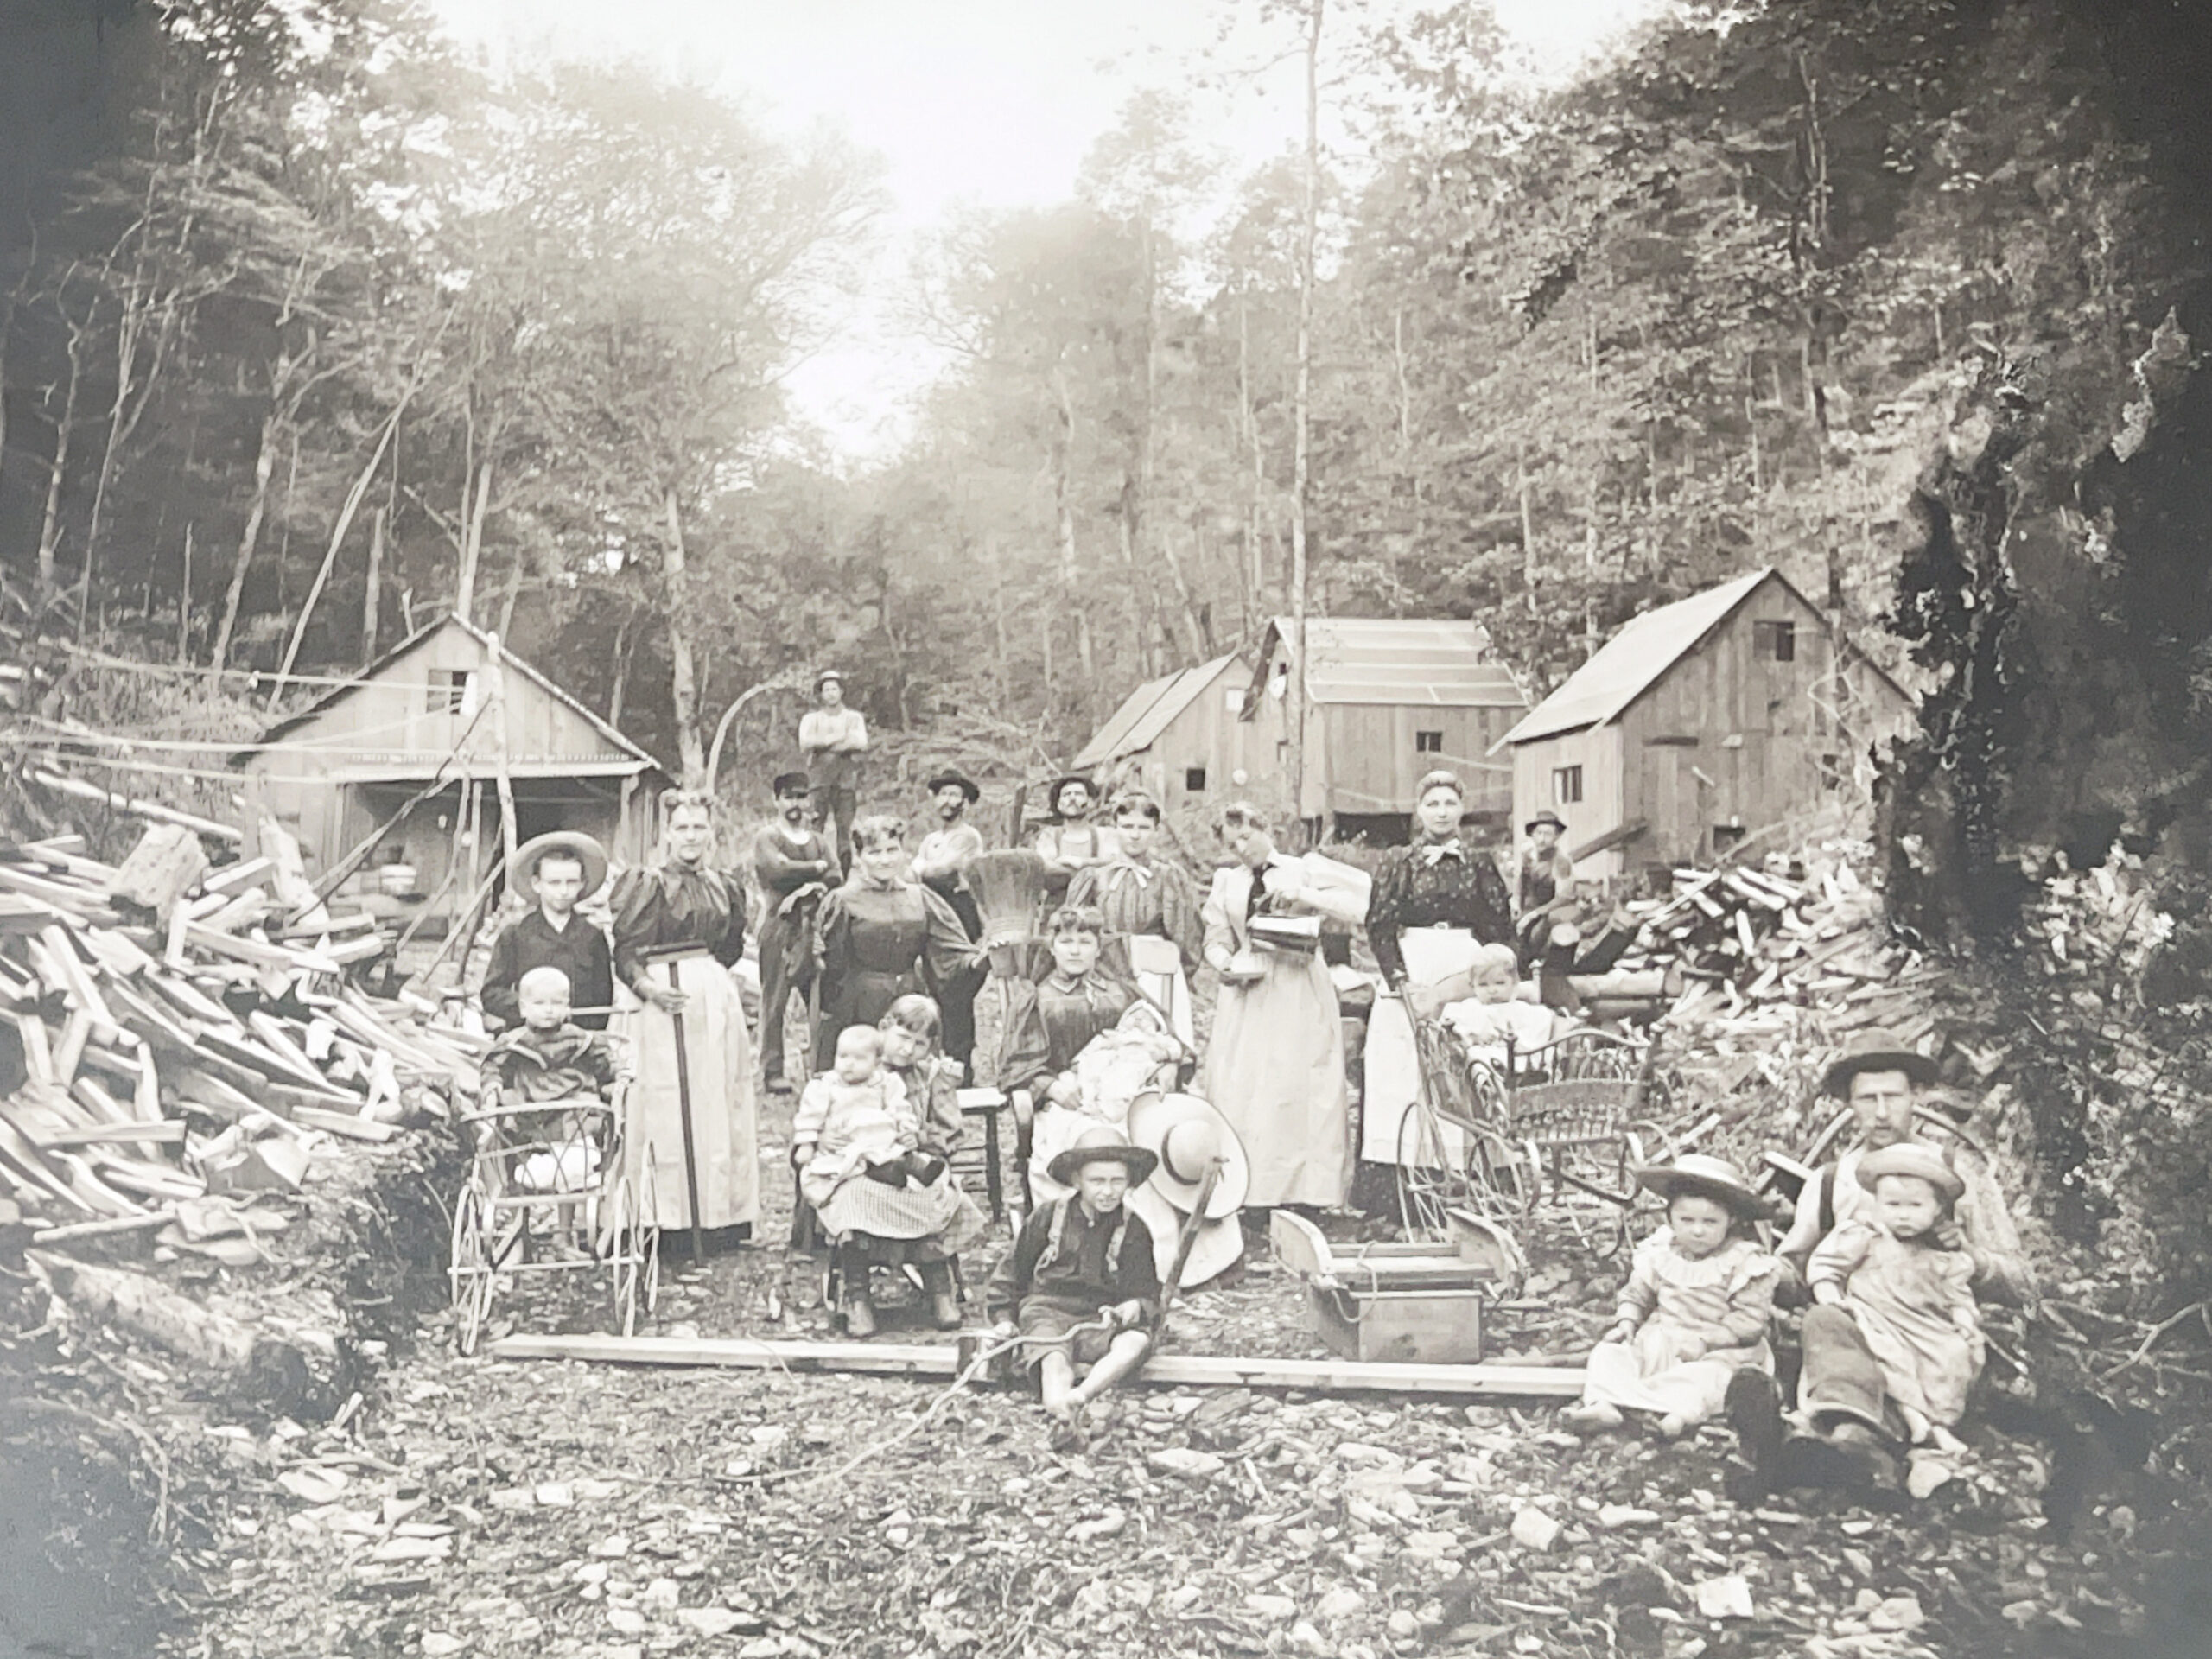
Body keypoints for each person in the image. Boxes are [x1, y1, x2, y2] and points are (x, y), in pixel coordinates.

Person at [1727, 1028, 2031, 1496]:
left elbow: (2021, 1285)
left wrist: (1967, 1256)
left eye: (1894, 1095)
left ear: (1918, 1095)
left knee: (1858, 1383)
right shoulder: (1831, 1182)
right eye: (1868, 1099)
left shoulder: (1955, 1173)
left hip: (1937, 1340)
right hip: (1857, 1335)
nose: (1883, 1111)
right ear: (1849, 1104)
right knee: (1825, 1326)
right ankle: (1833, 1444)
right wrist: (1752, 1269)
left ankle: (1823, 1446)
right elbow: (1795, 1270)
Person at [608, 791, 757, 1244]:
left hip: (710, 999)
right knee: (660, 1103)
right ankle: (659, 1221)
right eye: (682, 828)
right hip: (657, 1001)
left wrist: (709, 984)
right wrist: (649, 987)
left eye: (699, 828)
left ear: (710, 833)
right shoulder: (646, 883)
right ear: (667, 833)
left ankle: (715, 1219)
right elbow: (626, 951)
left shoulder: (725, 885)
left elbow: (730, 946)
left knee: (715, 1098)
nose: (691, 837)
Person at [1201, 803, 1363, 1210]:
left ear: (1263, 827)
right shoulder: (1228, 880)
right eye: (1231, 843)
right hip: (1248, 988)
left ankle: (1308, 1194)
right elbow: (1216, 936)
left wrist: (1304, 895)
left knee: (1301, 1085)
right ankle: (1249, 1192)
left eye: (1245, 836)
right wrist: (1226, 964)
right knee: (1247, 1086)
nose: (1241, 848)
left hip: (1299, 982)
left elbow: (1359, 904)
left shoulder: (1304, 868)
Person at [1562, 1155, 1781, 1440]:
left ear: (1732, 1220)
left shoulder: (1744, 1260)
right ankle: (1604, 1405)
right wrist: (1627, 1321)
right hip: (1663, 1340)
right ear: (1670, 1219)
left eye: (1711, 1222)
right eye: (1686, 1220)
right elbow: (1638, 1292)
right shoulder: (1661, 1251)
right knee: (1609, 1354)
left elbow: (1749, 1322)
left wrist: (1705, 1342)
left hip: (1719, 1351)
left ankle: (1675, 1418)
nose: (1698, 1230)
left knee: (1705, 1380)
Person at [1359, 772, 1516, 1164]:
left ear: (1462, 809)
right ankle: (1403, 1171)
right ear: (1419, 811)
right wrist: (1400, 980)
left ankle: (1465, 1168)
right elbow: (1379, 926)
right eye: (1432, 804)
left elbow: (1498, 928)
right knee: (1403, 1066)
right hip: (1412, 965)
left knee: (1459, 1061)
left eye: (1449, 803)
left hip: (1464, 968)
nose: (1441, 813)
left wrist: (1487, 976)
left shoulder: (1479, 862)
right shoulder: (1399, 861)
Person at [793, 1024, 984, 1336]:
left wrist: (908, 1132)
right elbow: (808, 1119)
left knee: (928, 1194)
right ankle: (857, 1297)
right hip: (843, 1162)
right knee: (854, 1202)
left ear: (877, 1061)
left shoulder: (887, 1084)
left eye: (858, 1059)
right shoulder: (825, 1087)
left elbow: (901, 1111)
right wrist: (806, 1144)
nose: (848, 1065)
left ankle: (940, 1290)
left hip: (887, 1153)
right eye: (842, 1057)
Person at [1805, 1143, 1985, 1465]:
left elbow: (1959, 1296)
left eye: (1915, 1205)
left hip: (1925, 1324)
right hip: (1873, 1315)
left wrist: (1964, 1320)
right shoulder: (1866, 1235)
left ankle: (1938, 1424)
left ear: (1936, 1209)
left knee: (1955, 1354)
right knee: (1888, 1354)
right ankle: (1911, 1416)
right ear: (1876, 1204)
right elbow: (1825, 1267)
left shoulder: (1945, 1258)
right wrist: (1830, 1296)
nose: (1902, 1214)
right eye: (1892, 1204)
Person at [986, 1126, 1162, 1438]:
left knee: (1135, 1342)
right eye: (1097, 1181)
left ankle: (1082, 1396)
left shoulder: (1135, 1230)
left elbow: (1146, 1292)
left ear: (1129, 1183)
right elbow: (1012, 1274)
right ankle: (1059, 1409)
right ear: (1077, 1180)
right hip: (1047, 1312)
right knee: (1054, 1361)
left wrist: (1132, 1307)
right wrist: (1003, 1319)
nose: (1107, 1191)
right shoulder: (1047, 1218)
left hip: (1100, 1318)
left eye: (1117, 1181)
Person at [811, 815, 976, 1071]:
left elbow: (952, 948)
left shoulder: (920, 897)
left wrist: (978, 960)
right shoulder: (844, 900)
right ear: (859, 857)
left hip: (911, 997)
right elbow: (829, 963)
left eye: (892, 850)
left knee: (911, 1071)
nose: (885, 860)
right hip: (859, 1001)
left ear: (903, 852)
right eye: (874, 852)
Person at [998, 904, 1141, 1185]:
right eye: (1066, 942)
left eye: (1085, 942)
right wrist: (1050, 1087)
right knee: (1071, 1150)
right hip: (1069, 1101)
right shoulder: (1038, 998)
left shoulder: (1120, 991)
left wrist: (1168, 1061)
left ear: (1099, 949)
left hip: (1125, 1097)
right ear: (1052, 948)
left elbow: (1157, 1032)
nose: (1075, 951)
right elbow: (1015, 1064)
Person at [1068, 791, 1201, 1047]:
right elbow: (1074, 925)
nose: (1135, 834)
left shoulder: (1167, 876)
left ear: (1156, 831)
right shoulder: (1096, 876)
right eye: (1127, 826)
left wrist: (1183, 966)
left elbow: (1187, 932)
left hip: (1156, 969)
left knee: (1157, 1039)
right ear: (1115, 829)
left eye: (1143, 828)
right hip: (1107, 968)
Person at [477, 965, 621, 1197]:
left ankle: (573, 1174)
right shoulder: (515, 1041)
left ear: (567, 1007)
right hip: (532, 1106)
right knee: (510, 1122)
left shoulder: (578, 1038)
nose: (549, 1011)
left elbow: (602, 1062)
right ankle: (539, 1174)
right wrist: (492, 1087)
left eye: (557, 1003)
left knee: (581, 1128)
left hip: (572, 1106)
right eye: (540, 1004)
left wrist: (614, 1079)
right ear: (523, 1008)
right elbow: (494, 1065)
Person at [752, 772, 836, 1096]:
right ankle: (773, 1069)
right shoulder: (768, 837)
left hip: (814, 924)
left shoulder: (817, 840)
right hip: (777, 925)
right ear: (777, 801)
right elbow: (776, 870)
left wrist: (813, 875)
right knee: (775, 998)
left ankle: (820, 1066)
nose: (796, 804)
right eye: (789, 797)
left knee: (820, 995)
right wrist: (815, 869)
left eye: (802, 797)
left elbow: (836, 873)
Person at [480, 833, 615, 1032]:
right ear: (537, 884)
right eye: (554, 882)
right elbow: (491, 994)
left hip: (576, 1039)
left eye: (571, 882)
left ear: (582, 883)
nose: (563, 891)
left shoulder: (592, 936)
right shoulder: (516, 934)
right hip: (526, 1039)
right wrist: (532, 1009)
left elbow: (602, 1002)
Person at [911, 769, 988, 1079]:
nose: (948, 800)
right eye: (943, 794)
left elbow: (939, 871)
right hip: (929, 911)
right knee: (932, 985)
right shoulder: (931, 839)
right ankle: (934, 1063)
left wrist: (921, 868)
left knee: (957, 985)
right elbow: (914, 871)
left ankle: (962, 1065)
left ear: (965, 802)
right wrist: (920, 869)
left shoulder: (968, 837)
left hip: (958, 911)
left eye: (954, 795)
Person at [1437, 942, 1570, 1068]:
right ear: (1473, 986)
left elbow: (1539, 1026)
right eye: (1483, 985)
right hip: (1488, 1054)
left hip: (1519, 1053)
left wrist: (1520, 1042)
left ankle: (1529, 1073)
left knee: (1545, 1034)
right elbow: (1456, 1032)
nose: (1492, 990)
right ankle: (1495, 1079)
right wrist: (1475, 1037)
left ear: (1514, 983)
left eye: (1500, 983)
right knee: (1476, 1056)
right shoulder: (1470, 1007)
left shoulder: (1520, 1008)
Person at [878, 995, 964, 1164]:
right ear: (883, 1027)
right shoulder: (864, 1068)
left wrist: (921, 1138)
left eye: (920, 1044)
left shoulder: (931, 1077)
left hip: (920, 1165)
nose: (908, 1049)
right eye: (903, 1037)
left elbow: (950, 1132)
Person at [798, 670, 868, 873]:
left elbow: (861, 742)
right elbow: (805, 743)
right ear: (821, 694)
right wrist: (838, 739)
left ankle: (844, 875)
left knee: (844, 830)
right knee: (815, 828)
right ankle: (814, 873)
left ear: (841, 692)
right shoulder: (811, 719)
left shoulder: (853, 718)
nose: (830, 694)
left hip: (846, 780)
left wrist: (824, 745)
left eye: (834, 689)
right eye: (826, 690)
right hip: (818, 782)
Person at [1033, 774, 1117, 903]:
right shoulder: (1049, 835)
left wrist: (1080, 862)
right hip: (1058, 908)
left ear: (1091, 802)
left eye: (1078, 794)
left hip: (1096, 907)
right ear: (1059, 804)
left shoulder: (1104, 835)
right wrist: (1092, 868)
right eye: (1066, 795)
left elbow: (1112, 863)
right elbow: (1046, 867)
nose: (1072, 798)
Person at [1516, 809, 1576, 957]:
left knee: (1532, 943)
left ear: (1556, 837)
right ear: (1533, 835)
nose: (1542, 839)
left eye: (1548, 834)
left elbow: (1564, 897)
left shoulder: (1560, 861)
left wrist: (1534, 914)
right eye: (1539, 833)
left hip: (1547, 915)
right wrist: (1515, 902)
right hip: (1527, 912)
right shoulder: (1530, 858)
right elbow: (1521, 887)